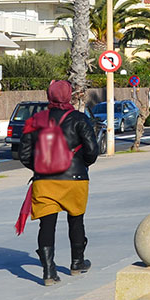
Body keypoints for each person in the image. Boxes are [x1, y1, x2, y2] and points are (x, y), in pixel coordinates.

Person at [16, 79, 100, 287]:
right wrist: (82, 164)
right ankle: (77, 262)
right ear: (68, 95)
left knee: (47, 224)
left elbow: (24, 155)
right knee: (76, 219)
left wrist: (42, 167)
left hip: (44, 180)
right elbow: (92, 151)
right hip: (75, 178)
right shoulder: (79, 119)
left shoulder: (36, 120)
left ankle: (48, 272)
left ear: (49, 95)